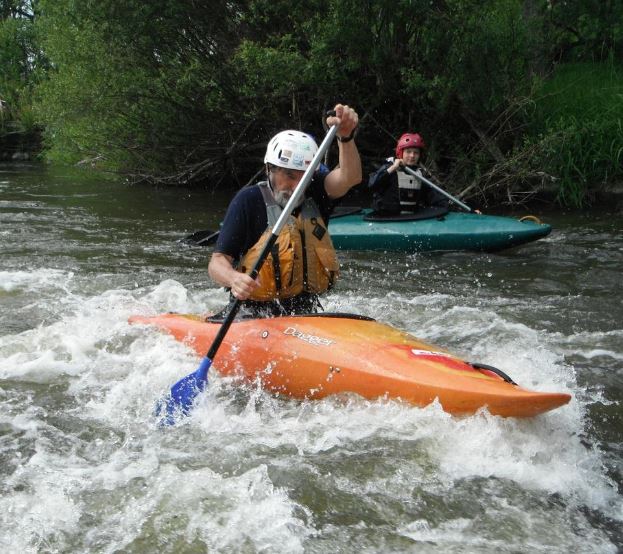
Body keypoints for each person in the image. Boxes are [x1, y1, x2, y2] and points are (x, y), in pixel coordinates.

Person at [208, 104, 361, 318]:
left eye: (303, 176)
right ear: (269, 169)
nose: (297, 184)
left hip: (306, 311)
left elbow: (350, 177)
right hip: (252, 311)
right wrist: (234, 279)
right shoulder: (248, 200)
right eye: (289, 175)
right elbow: (217, 262)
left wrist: (346, 137)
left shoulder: (316, 189)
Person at [368, 132, 449, 216]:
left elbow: (433, 196)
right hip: (386, 218)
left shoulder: (419, 174)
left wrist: (445, 205)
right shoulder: (390, 168)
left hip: (409, 219)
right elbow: (372, 184)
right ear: (401, 153)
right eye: (408, 152)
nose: (412, 155)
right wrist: (393, 167)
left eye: (416, 153)